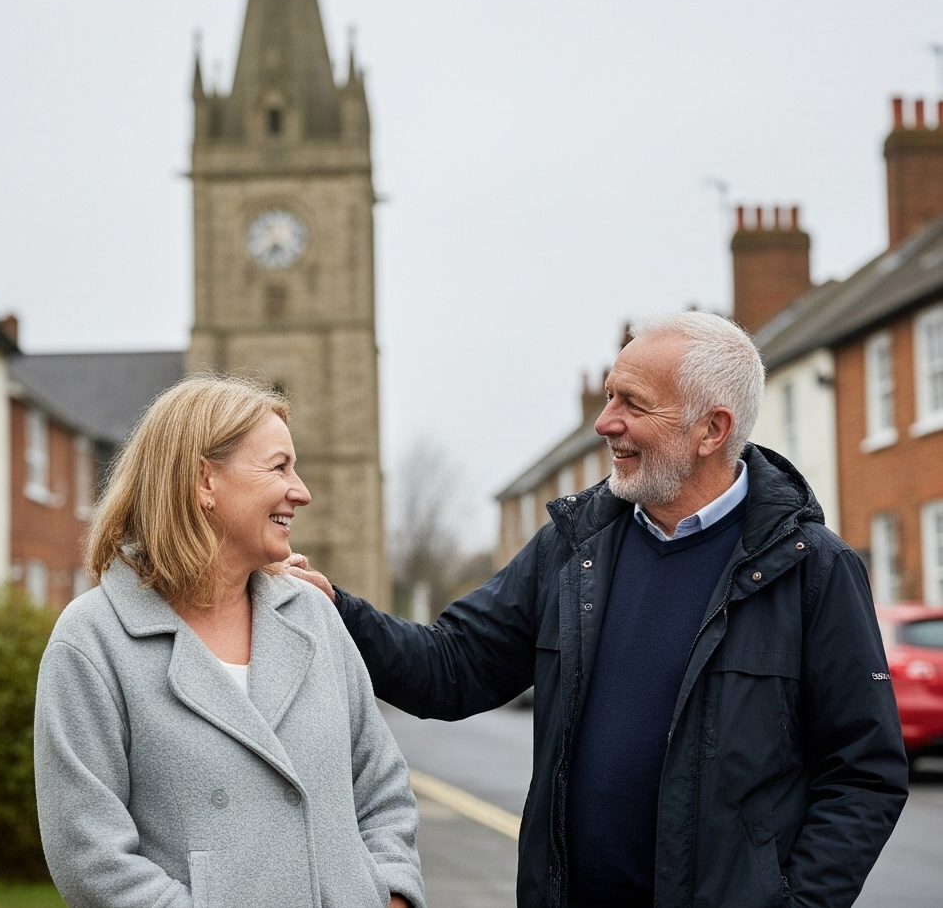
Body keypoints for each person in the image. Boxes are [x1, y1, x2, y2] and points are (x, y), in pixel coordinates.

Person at [291, 311, 908, 908]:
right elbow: (450, 668)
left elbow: (864, 771)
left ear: (711, 430)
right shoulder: (572, 546)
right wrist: (335, 609)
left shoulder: (812, 568)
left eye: (633, 404)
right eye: (609, 396)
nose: (604, 423)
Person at [34, 375, 424, 908]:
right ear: (204, 481)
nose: (302, 491)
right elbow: (92, 860)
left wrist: (392, 896)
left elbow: (383, 791)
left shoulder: (313, 615)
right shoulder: (92, 642)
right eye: (279, 467)